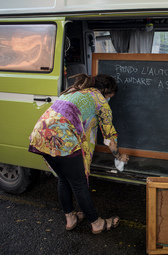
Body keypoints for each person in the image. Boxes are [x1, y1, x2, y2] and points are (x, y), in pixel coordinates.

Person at [28, 73, 129, 234]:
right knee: (79, 184)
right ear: (105, 90)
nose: (109, 99)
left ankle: (71, 218)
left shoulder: (74, 91)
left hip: (40, 136)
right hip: (63, 141)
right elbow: (109, 138)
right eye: (110, 96)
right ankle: (96, 223)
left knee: (63, 178)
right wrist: (119, 156)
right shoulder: (100, 100)